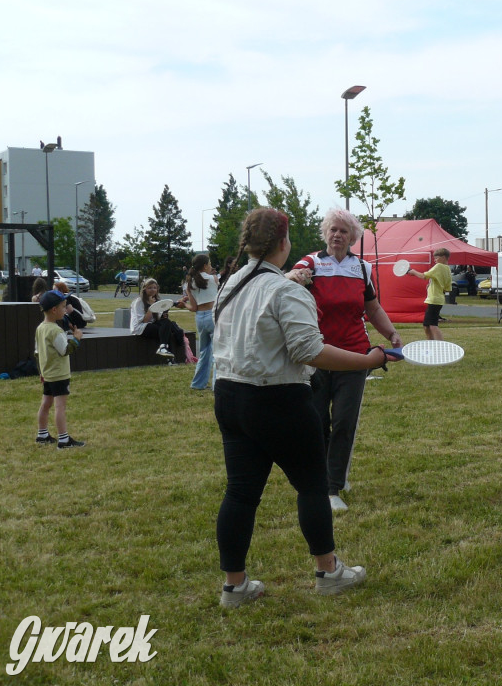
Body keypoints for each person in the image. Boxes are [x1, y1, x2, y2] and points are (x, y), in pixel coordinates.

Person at [213, 208, 395, 608]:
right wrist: (370, 360)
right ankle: (329, 572)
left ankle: (235, 586)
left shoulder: (231, 284)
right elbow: (310, 350)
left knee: (240, 493)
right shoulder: (286, 290)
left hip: (229, 397)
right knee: (313, 485)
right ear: (283, 243)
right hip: (277, 399)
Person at [288, 208, 402, 512]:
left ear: (352, 237)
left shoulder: (362, 269)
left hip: (354, 357)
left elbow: (373, 309)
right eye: (333, 230)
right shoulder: (311, 262)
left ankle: (333, 486)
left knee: (343, 423)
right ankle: (325, 476)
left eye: (344, 231)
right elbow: (285, 282)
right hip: (316, 355)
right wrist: (295, 276)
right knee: (317, 423)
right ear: (325, 234)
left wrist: (391, 334)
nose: (337, 235)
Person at [34, 290, 86, 449]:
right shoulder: (55, 330)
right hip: (59, 374)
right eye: (64, 307)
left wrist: (42, 372)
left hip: (47, 374)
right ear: (54, 310)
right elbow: (65, 350)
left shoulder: (41, 328)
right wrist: (76, 339)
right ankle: (64, 439)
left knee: (45, 404)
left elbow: (37, 352)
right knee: (60, 407)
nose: (66, 310)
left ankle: (42, 434)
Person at [184, 254, 219, 390]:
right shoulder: (213, 279)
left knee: (204, 351)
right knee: (217, 352)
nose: (211, 267)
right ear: (205, 266)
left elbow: (193, 308)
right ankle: (217, 384)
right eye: (209, 264)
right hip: (212, 316)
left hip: (200, 317)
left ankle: (198, 383)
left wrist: (184, 305)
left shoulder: (190, 283)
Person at [130, 278, 185, 359]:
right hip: (140, 327)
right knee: (166, 331)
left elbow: (158, 319)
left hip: (151, 324)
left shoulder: (157, 301)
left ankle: (164, 349)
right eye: (150, 288)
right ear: (144, 289)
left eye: (154, 288)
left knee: (167, 324)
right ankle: (169, 357)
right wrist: (151, 307)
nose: (152, 290)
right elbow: (145, 320)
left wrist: (164, 315)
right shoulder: (138, 302)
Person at [406, 247, 453, 341]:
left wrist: (414, 272)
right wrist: (431, 285)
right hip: (438, 299)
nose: (435, 260)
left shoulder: (439, 266)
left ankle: (440, 345)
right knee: (426, 326)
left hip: (434, 300)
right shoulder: (447, 269)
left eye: (436, 258)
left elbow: (424, 276)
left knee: (432, 325)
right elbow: (447, 288)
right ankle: (430, 344)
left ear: (443, 257)